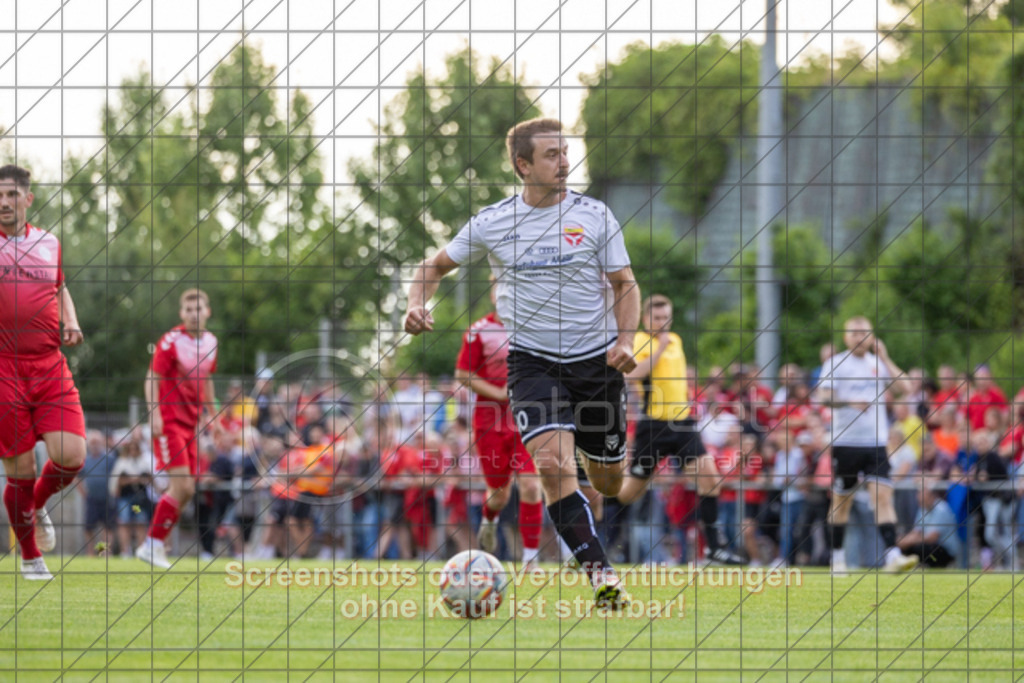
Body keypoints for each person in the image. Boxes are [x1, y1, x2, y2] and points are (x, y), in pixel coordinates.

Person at [403, 117, 638, 608]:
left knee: (608, 481)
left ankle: (586, 485)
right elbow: (432, 266)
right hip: (533, 365)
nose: (565, 162)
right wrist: (416, 303)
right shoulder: (493, 222)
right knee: (551, 468)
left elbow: (625, 284)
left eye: (565, 152)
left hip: (596, 366)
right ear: (522, 165)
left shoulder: (595, 215)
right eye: (552, 154)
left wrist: (625, 340)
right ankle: (603, 578)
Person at [0, 165, 88, 580]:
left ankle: (35, 505)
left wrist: (71, 320)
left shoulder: (49, 243)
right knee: (20, 472)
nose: (4, 202)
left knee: (71, 457)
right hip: (5, 368)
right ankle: (31, 558)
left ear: (28, 199)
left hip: (49, 364)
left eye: (12, 195)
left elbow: (59, 287)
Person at [615, 295, 742, 564]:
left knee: (710, 478)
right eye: (657, 318)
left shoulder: (676, 339)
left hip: (683, 424)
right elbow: (632, 375)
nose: (662, 323)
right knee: (629, 493)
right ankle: (593, 522)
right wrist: (659, 348)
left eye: (666, 318)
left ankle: (714, 548)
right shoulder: (639, 341)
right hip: (654, 426)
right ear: (645, 319)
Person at [816, 316, 919, 575]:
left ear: (872, 337)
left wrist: (885, 358)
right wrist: (850, 403)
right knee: (842, 502)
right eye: (854, 333)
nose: (859, 338)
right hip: (846, 443)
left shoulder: (877, 363)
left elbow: (907, 387)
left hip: (875, 443)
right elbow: (824, 397)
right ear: (845, 337)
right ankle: (837, 557)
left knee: (883, 496)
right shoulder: (836, 363)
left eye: (864, 333)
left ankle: (892, 555)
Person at [454, 282, 544, 572]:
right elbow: (463, 373)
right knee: (499, 494)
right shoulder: (478, 330)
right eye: (501, 289)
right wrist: (500, 393)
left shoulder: (534, 328)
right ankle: (489, 518)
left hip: (526, 419)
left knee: (532, 485)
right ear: (493, 294)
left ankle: (530, 559)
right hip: (489, 421)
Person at [136, 288, 218, 568]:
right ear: (182, 313)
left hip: (191, 426)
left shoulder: (211, 342)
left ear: (207, 312)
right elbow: (152, 377)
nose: (194, 314)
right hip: (170, 422)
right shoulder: (171, 341)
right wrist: (154, 413)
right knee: (181, 486)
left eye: (199, 309)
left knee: (188, 490)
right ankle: (152, 544)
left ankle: (155, 542)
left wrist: (214, 415)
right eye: (189, 310)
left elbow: (207, 380)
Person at [896, 480, 959, 568]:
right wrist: (902, 541)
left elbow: (932, 538)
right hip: (930, 545)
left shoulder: (941, 510)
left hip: (945, 551)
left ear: (931, 496)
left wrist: (909, 541)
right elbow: (916, 532)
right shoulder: (923, 509)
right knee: (905, 547)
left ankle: (933, 566)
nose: (919, 498)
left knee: (920, 548)